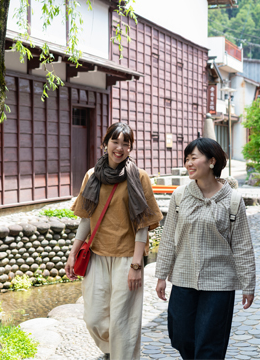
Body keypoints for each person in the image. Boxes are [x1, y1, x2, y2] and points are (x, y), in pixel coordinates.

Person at [65, 122, 163, 360]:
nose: (119, 148)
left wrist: (137, 266)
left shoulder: (139, 177)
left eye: (125, 144)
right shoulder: (91, 175)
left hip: (127, 257)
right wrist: (72, 252)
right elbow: (87, 219)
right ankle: (113, 351)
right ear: (105, 143)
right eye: (115, 142)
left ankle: (123, 355)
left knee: (124, 321)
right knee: (95, 318)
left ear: (130, 148)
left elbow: (142, 224)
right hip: (97, 254)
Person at [155, 137, 256, 360]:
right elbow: (169, 238)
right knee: (180, 336)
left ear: (211, 161)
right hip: (183, 279)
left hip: (219, 283)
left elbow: (242, 246)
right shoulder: (180, 196)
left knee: (210, 344)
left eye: (194, 158)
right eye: (187, 159)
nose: (188, 163)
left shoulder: (232, 200)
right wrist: (162, 275)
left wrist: (248, 284)